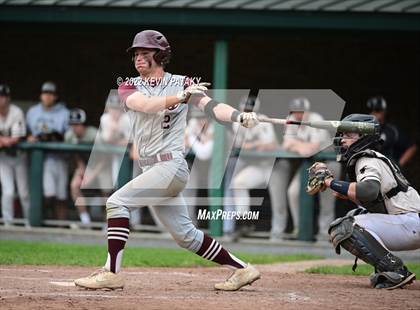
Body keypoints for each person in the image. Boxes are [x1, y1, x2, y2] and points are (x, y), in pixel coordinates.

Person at [74, 30, 261, 291]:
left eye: (144, 53)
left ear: (160, 55)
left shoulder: (184, 83)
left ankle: (111, 272)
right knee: (186, 236)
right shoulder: (128, 85)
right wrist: (181, 97)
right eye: (136, 54)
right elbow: (147, 105)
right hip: (153, 168)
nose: (138, 59)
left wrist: (239, 116)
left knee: (116, 202)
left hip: (170, 166)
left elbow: (212, 106)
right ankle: (243, 270)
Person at [308, 114, 419, 290]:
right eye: (342, 134)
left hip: (410, 222)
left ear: (364, 137)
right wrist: (344, 191)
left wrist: (329, 182)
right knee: (357, 215)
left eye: (348, 135)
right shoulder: (373, 157)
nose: (342, 139)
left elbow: (369, 190)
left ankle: (395, 270)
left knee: (344, 227)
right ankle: (386, 271)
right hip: (408, 222)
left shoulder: (366, 159)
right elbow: (376, 198)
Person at [269, 97, 333, 240]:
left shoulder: (316, 119)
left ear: (307, 111)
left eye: (301, 111)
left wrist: (297, 145)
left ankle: (325, 233)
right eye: (296, 111)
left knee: (327, 196)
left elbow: (314, 147)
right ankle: (300, 227)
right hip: (308, 163)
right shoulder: (291, 118)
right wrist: (301, 146)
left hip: (327, 161)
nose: (298, 114)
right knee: (293, 192)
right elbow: (287, 144)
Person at [228, 95, 278, 239]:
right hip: (256, 166)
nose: (248, 113)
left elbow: (271, 145)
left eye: (250, 110)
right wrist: (254, 146)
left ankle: (279, 232)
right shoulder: (237, 122)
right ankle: (244, 224)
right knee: (238, 183)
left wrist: (252, 145)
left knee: (279, 197)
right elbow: (237, 145)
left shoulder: (263, 120)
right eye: (245, 109)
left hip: (272, 167)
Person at [26, 81, 70, 220]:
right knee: (47, 194)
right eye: (45, 93)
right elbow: (24, 133)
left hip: (59, 157)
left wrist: (55, 136)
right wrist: (29, 137)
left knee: (61, 195)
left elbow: (69, 137)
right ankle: (43, 220)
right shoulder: (33, 112)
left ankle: (60, 225)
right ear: (41, 95)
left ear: (55, 96)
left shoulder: (64, 113)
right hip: (40, 160)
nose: (47, 96)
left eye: (51, 94)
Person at [0, 84, 30, 227]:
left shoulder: (16, 112)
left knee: (24, 193)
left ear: (8, 98)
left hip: (19, 157)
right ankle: (8, 224)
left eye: (3, 97)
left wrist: (4, 140)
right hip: (3, 158)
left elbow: (16, 138)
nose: (1, 100)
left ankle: (30, 222)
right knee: (8, 192)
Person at [65, 108, 100, 227]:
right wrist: (81, 168)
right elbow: (75, 154)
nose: (74, 127)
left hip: (101, 167)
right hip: (85, 166)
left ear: (83, 124)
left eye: (77, 124)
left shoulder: (94, 134)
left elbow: (105, 157)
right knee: (74, 185)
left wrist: (92, 174)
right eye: (72, 124)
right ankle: (85, 221)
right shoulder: (69, 136)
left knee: (108, 189)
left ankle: (108, 224)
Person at [184, 107, 214, 225]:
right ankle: (191, 224)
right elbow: (182, 141)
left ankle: (218, 227)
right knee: (188, 191)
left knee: (215, 194)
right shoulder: (192, 123)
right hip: (197, 166)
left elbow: (204, 153)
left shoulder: (214, 126)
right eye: (198, 118)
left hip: (215, 166)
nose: (200, 121)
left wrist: (194, 137)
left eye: (203, 118)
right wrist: (195, 136)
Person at [367, 96, 417, 167]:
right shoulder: (362, 129)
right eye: (371, 110)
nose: (373, 113)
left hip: (386, 170)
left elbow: (412, 146)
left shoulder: (392, 131)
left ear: (384, 111)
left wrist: (398, 165)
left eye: (377, 110)